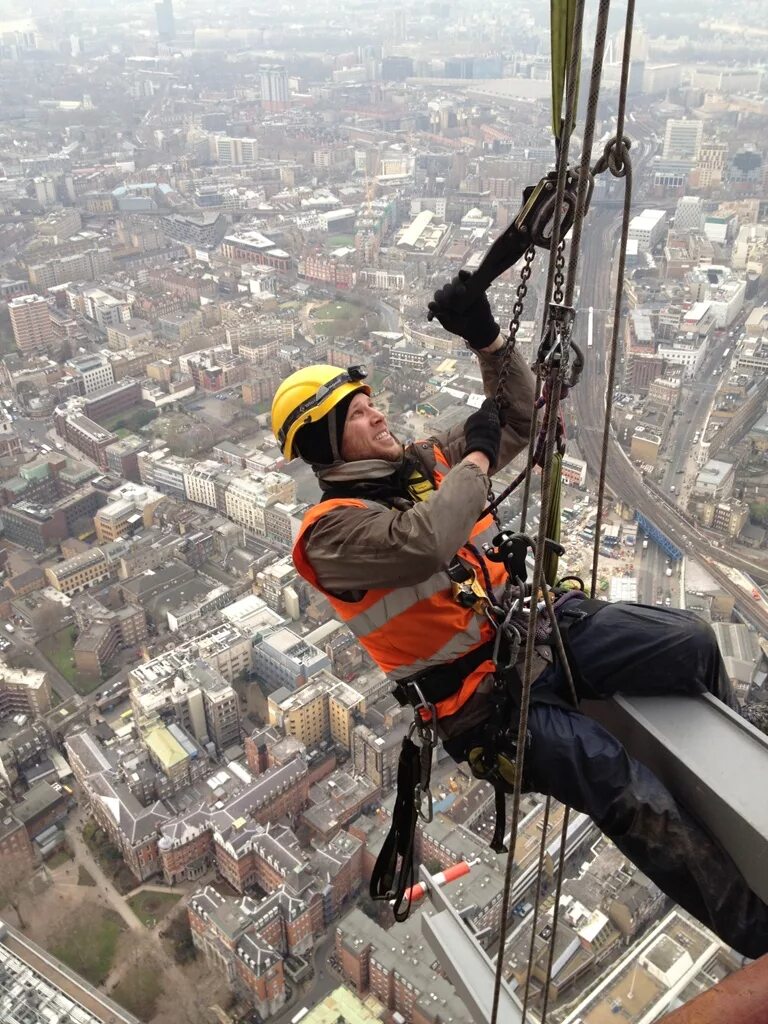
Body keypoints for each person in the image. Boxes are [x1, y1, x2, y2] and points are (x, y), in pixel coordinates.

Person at [272, 277, 768, 960]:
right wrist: (474, 455)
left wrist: (488, 341)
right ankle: (759, 932)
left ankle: (747, 794)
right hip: (484, 707)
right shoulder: (329, 536)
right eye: (359, 414)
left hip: (533, 628)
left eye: (371, 402)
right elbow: (427, 540)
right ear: (326, 444)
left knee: (688, 641)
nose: (378, 415)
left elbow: (523, 420)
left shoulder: (423, 464)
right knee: (618, 783)